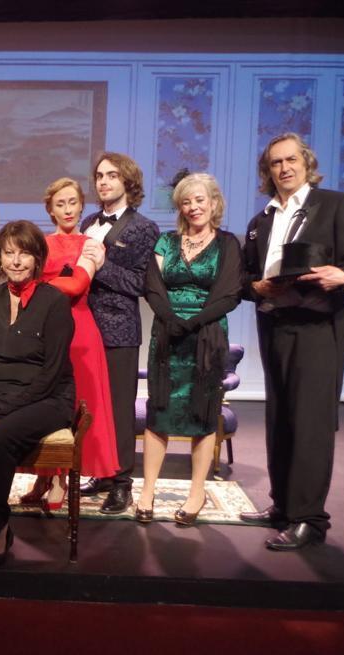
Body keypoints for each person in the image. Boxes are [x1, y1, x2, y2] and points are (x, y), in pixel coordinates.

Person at [240, 132, 344, 550]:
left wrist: (343, 275)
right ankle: (283, 505)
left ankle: (310, 520)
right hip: (274, 324)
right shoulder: (261, 221)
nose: (284, 168)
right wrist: (256, 288)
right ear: (268, 171)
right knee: (279, 418)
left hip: (316, 327)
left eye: (291, 159)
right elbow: (245, 279)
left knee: (311, 423)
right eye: (276, 162)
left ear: (306, 162)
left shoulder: (334, 204)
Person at [0, 222, 75, 571]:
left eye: (24, 253)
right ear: (0, 258)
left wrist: (4, 413)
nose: (16, 261)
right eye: (8, 253)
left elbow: (52, 372)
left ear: (37, 259)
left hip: (47, 397)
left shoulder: (54, 302)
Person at [138, 172, 242, 526]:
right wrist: (171, 319)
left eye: (200, 199)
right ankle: (148, 491)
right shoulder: (166, 242)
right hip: (167, 336)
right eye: (186, 201)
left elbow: (229, 293)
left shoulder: (228, 244)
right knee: (160, 411)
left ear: (214, 203)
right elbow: (153, 286)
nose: (194, 206)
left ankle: (196, 492)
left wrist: (194, 321)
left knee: (202, 412)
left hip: (207, 336)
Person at [20, 178, 118, 509]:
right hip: (43, 329)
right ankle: (43, 475)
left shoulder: (91, 243)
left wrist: (39, 285)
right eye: (60, 204)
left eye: (72, 202)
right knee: (42, 402)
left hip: (79, 331)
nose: (67, 210)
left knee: (73, 403)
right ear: (50, 209)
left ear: (81, 206)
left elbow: (77, 285)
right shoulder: (41, 244)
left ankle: (60, 479)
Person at [78, 152, 160, 514]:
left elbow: (141, 283)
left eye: (111, 175)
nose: (103, 181)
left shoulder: (143, 227)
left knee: (119, 409)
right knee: (91, 407)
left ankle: (123, 482)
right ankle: (101, 472)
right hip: (84, 328)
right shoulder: (88, 222)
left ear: (128, 181)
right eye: (99, 176)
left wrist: (102, 265)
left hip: (119, 330)